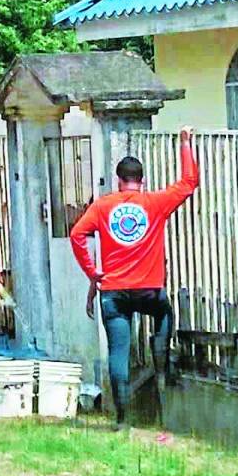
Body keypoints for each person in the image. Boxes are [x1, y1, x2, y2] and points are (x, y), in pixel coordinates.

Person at [69, 128, 198, 427]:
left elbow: (77, 235)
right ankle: (160, 355)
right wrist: (184, 143)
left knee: (118, 352)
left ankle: (123, 419)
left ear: (118, 180)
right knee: (164, 313)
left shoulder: (103, 206)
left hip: (114, 291)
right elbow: (189, 182)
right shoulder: (155, 203)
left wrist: (93, 273)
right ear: (143, 180)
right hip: (149, 290)